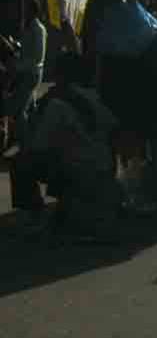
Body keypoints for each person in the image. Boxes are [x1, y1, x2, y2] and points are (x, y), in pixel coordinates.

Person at [9, 52, 121, 227]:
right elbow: (113, 132)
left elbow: (40, 145)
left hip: (75, 170)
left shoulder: (56, 104)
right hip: (103, 168)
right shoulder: (96, 97)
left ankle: (34, 214)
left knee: (20, 161)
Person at [2, 0, 48, 149]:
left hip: (32, 74)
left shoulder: (39, 30)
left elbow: (36, 58)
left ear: (33, 11)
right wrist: (15, 45)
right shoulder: (29, 28)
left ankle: (25, 143)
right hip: (25, 73)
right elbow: (26, 50)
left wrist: (17, 65)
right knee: (26, 107)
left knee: (18, 109)